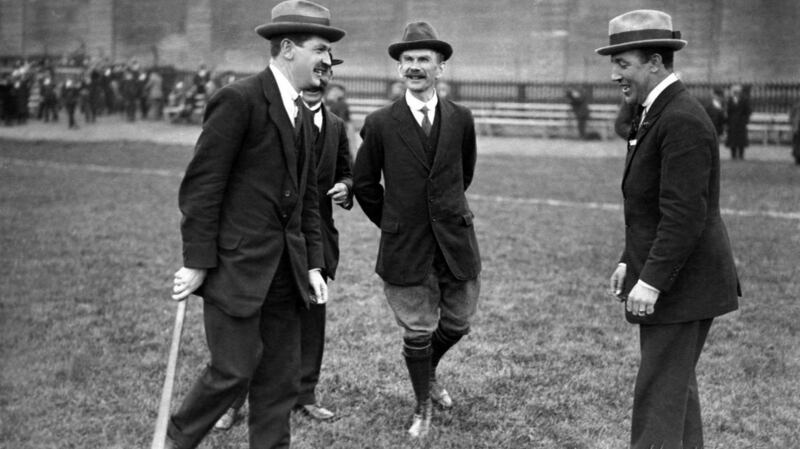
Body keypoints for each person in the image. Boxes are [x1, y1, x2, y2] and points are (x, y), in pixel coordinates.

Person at [164, 1, 344, 448]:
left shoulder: (303, 114)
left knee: (280, 382)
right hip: (236, 268)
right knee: (232, 371)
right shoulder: (239, 100)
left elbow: (306, 202)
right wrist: (197, 261)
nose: (327, 61)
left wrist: (314, 264)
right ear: (287, 49)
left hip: (287, 273)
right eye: (320, 49)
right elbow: (203, 187)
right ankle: (172, 442)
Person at [597, 10, 741, 449]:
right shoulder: (655, 111)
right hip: (679, 279)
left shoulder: (680, 118)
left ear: (656, 62)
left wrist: (652, 281)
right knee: (675, 391)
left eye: (624, 63)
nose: (614, 74)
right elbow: (649, 206)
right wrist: (629, 260)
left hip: (683, 283)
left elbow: (684, 215)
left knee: (658, 392)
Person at [353, 21, 481, 439]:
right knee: (417, 328)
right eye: (407, 60)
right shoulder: (380, 123)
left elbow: (464, 174)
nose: (413, 67)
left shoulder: (461, 119)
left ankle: (430, 371)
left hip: (454, 240)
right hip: (404, 244)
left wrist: (441, 215)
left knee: (458, 322)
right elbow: (367, 186)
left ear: (440, 67)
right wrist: (394, 223)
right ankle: (422, 405)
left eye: (423, 59)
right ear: (399, 68)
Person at [725, 83, 751, 160]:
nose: (736, 92)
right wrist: (728, 121)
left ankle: (741, 155)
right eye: (734, 91)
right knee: (732, 139)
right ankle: (733, 155)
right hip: (732, 122)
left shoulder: (744, 99)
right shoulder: (730, 100)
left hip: (741, 123)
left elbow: (748, 111)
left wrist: (745, 120)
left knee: (741, 140)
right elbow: (728, 111)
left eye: (737, 90)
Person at [790, 99, 800, 165]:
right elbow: (791, 116)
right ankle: (797, 157)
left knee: (796, 143)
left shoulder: (796, 106)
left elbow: (791, 117)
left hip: (797, 127)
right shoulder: (796, 106)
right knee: (796, 143)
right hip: (797, 127)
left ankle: (797, 158)